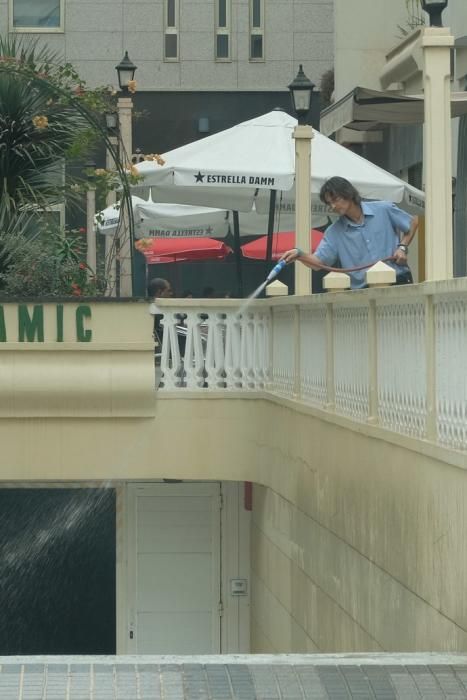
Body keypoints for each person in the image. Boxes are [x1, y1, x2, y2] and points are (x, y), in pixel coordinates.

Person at [281, 176, 419, 289]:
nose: (333, 206)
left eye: (335, 200)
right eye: (329, 203)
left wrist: (402, 247)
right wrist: (299, 254)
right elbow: (318, 263)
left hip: (399, 280)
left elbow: (413, 221)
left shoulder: (383, 209)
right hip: (364, 292)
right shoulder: (333, 232)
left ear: (348, 194)